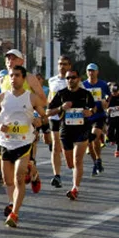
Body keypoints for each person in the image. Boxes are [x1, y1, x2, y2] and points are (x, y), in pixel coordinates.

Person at [0, 65, 44, 227]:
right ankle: (31, 175)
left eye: (17, 75)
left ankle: (14, 213)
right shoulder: (1, 97)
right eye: (11, 76)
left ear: (24, 78)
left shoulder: (31, 98)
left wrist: (39, 121)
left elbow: (44, 116)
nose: (14, 78)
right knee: (8, 181)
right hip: (6, 143)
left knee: (19, 178)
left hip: (24, 142)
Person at [45, 69, 94, 200]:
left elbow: (93, 108)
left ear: (78, 79)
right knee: (70, 163)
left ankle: (75, 188)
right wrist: (61, 108)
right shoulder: (61, 94)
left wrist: (89, 112)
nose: (70, 80)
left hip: (81, 130)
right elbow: (48, 112)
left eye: (73, 77)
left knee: (78, 160)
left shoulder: (86, 94)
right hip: (65, 131)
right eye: (68, 78)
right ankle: (74, 175)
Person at [46, 55, 71, 188]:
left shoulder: (75, 81)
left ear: (69, 66)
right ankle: (57, 175)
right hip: (55, 117)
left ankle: (73, 167)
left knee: (67, 146)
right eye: (60, 64)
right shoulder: (52, 80)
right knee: (55, 145)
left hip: (70, 118)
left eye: (65, 64)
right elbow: (50, 97)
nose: (62, 66)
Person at [81, 63, 110, 177]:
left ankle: (98, 159)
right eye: (89, 70)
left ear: (97, 72)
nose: (91, 73)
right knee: (89, 142)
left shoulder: (102, 84)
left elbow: (108, 96)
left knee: (95, 136)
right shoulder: (83, 85)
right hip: (87, 116)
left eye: (93, 70)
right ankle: (96, 162)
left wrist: (105, 102)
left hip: (99, 115)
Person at [106, 83, 119, 157]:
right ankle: (113, 139)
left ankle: (117, 150)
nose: (114, 93)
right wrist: (108, 109)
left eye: (116, 91)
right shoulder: (109, 97)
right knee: (109, 133)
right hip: (110, 118)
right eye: (113, 92)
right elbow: (105, 106)